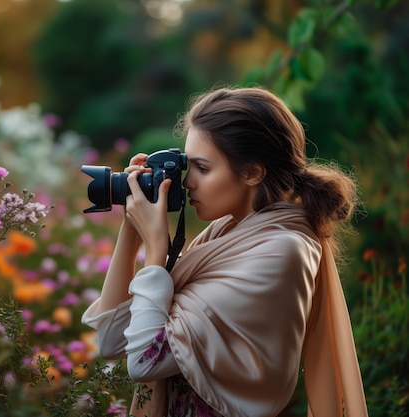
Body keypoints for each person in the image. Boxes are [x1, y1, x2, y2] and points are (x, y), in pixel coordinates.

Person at [81, 87, 368, 417]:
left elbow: (146, 362)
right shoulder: (227, 233)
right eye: (189, 167)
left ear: (252, 173)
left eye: (203, 168)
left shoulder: (281, 252)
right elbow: (113, 341)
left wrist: (157, 249)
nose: (188, 182)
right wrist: (132, 232)